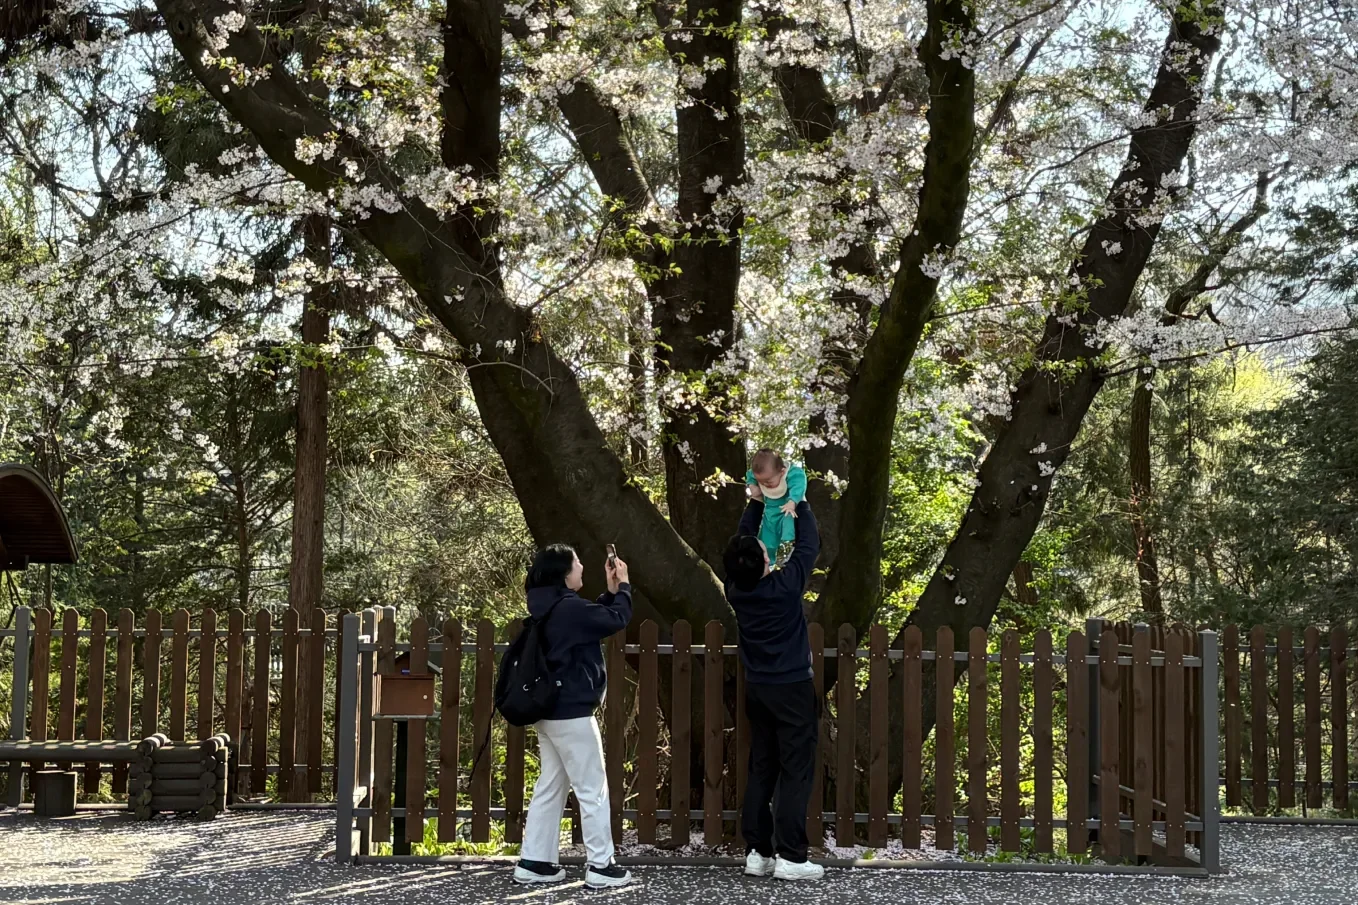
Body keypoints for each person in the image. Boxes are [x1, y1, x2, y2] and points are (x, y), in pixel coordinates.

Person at [512, 544, 634, 889]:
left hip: (548, 713)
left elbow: (593, 618)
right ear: (565, 573)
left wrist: (610, 593)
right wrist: (623, 587)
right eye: (578, 562)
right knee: (592, 788)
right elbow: (616, 620)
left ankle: (535, 861)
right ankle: (601, 865)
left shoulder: (548, 605)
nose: (583, 566)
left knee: (551, 785)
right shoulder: (567, 609)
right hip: (572, 714)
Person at [722, 483, 824, 881]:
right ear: (763, 564)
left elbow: (742, 544)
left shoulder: (736, 591)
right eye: (764, 552)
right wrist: (799, 504)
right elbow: (808, 547)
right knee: (796, 769)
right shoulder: (783, 588)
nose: (766, 551)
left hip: (759, 689)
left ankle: (758, 852)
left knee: (761, 766)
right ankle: (792, 856)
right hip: (793, 687)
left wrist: (755, 503)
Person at [745, 449, 807, 566]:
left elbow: (799, 484)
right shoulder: (761, 474)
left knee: (792, 526)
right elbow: (750, 475)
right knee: (767, 540)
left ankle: (796, 548)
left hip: (787, 508)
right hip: (770, 513)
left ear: (782, 472)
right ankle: (766, 563)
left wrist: (792, 501)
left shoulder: (792, 473)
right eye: (761, 482)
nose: (764, 484)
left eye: (768, 481)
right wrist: (752, 485)